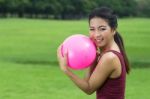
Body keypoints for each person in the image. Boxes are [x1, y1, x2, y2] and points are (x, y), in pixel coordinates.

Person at [57, 6, 130, 99]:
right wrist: (93, 60)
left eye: (102, 29)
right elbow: (87, 81)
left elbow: (89, 88)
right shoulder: (108, 53)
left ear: (113, 30)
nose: (96, 34)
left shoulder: (110, 57)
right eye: (92, 29)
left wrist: (65, 69)